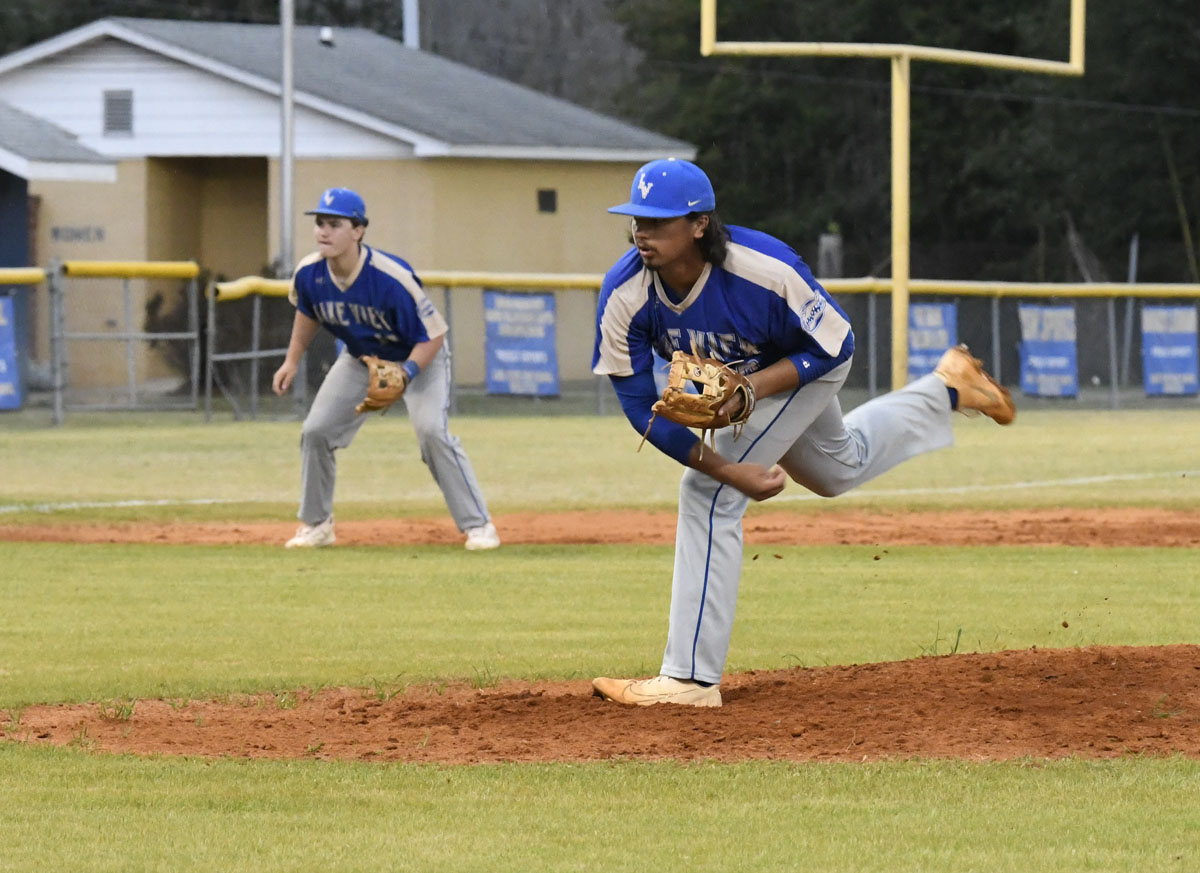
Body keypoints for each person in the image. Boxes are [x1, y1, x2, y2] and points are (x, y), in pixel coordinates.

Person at [590, 159, 1013, 708]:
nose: (642, 233)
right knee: (838, 468)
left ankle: (689, 681)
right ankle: (946, 389)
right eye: (637, 221)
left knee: (707, 496)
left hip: (805, 364)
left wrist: (750, 392)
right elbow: (637, 406)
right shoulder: (625, 292)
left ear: (699, 224)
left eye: (659, 221)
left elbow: (836, 345)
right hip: (762, 378)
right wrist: (727, 464)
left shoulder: (764, 270)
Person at [271, 186, 500, 552]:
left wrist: (405, 373)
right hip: (361, 359)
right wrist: (291, 360)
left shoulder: (390, 278)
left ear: (358, 230)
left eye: (334, 224)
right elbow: (308, 312)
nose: (322, 232)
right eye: (319, 223)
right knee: (316, 431)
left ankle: (479, 526)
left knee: (431, 433)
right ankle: (317, 525)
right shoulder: (309, 273)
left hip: (419, 359)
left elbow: (435, 335)